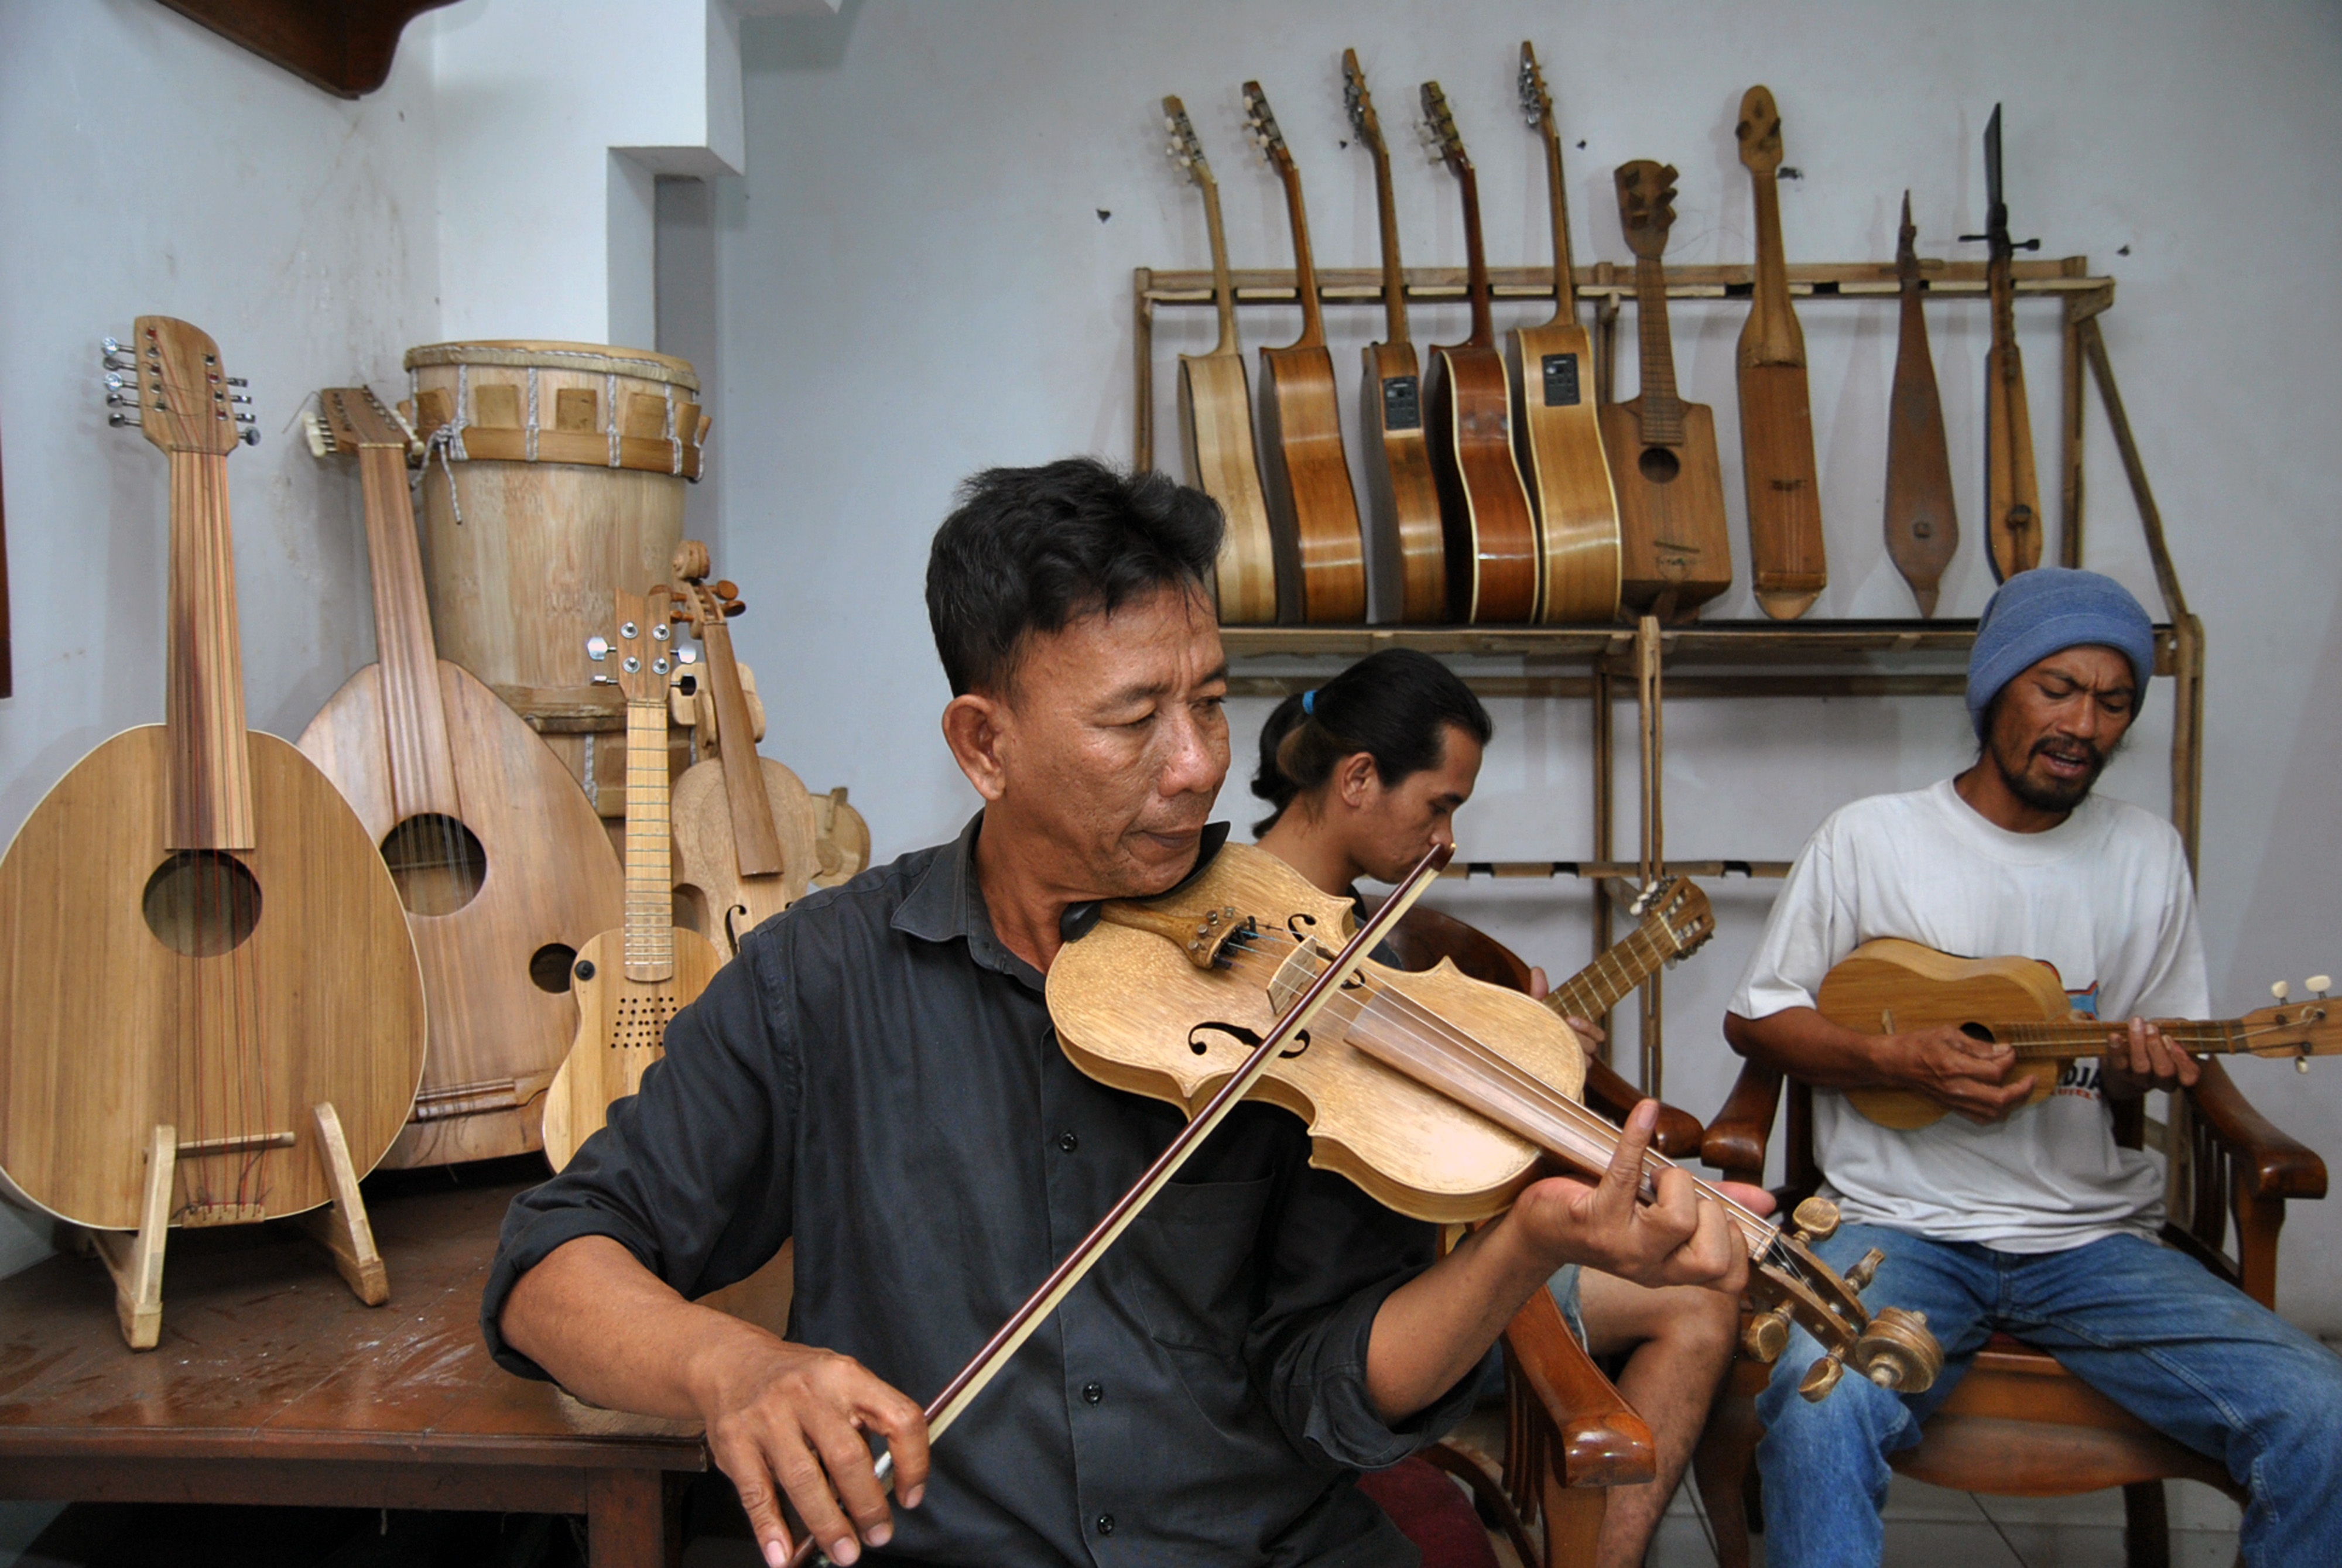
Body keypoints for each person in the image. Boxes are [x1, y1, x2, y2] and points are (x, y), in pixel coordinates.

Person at [486, 458, 1764, 1568]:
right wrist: (730, 1367)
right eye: (1135, 719)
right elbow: (552, 1265)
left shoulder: (1301, 979)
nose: (1199, 765)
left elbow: (1330, 1382)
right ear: (983, 745)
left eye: (1208, 700)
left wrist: (1522, 1245)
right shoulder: (818, 980)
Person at [1723, 567, 2342, 1565]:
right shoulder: (1871, 838)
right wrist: (1893, 1057)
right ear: (1995, 688)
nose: (2083, 725)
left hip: (2090, 1241)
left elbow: (2137, 1061)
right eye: (2058, 689)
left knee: (2323, 1415)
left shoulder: (2145, 853)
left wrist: (2141, 1069)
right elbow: (1759, 1017)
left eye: (2114, 701)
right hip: (1898, 1225)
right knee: (1818, 1400)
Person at [1250, 649, 1740, 1568]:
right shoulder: (1256, 938)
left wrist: (1527, 1073)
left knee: (1706, 1291)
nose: (1447, 841)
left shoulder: (1376, 947)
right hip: (1359, 1315)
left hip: (1422, 1261)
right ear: (1357, 778)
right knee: (1695, 1298)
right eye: (1439, 806)